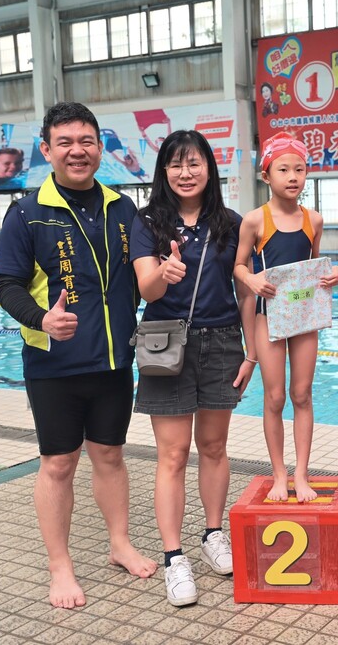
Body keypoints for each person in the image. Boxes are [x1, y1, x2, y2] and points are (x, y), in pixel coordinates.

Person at [0, 102, 157, 609]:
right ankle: (60, 566)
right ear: (46, 150)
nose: (77, 151)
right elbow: (7, 285)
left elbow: (144, 276)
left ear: (100, 148)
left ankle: (119, 544)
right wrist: (41, 318)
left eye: (86, 141)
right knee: (59, 463)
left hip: (113, 361)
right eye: (64, 142)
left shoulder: (123, 208)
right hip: (54, 365)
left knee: (110, 455)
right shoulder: (26, 213)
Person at [131, 129, 256, 606]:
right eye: (176, 164)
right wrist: (163, 274)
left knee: (214, 446)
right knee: (173, 453)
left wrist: (250, 353)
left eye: (194, 163)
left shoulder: (231, 223)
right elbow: (146, 289)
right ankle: (173, 557)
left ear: (209, 168)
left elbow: (245, 291)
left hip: (222, 340)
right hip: (165, 342)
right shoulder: (148, 222)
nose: (186, 173)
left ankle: (212, 534)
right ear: (163, 170)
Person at [234, 133, 338, 503]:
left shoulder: (314, 219)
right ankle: (279, 473)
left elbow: (314, 265)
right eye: (283, 170)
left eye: (299, 169)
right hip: (269, 317)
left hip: (304, 318)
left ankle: (301, 474)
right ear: (266, 176)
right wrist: (251, 279)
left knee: (302, 394)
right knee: (275, 396)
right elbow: (238, 266)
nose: (293, 176)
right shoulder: (255, 221)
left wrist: (332, 274)